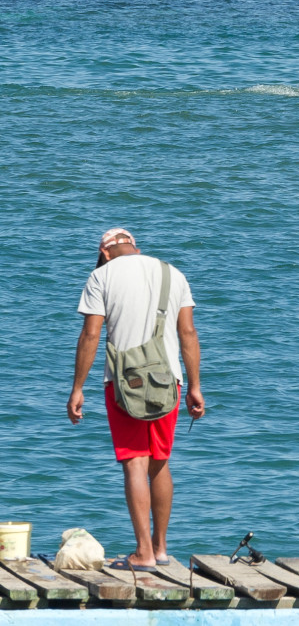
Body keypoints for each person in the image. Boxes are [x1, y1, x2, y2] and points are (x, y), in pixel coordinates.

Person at [67, 228, 205, 570]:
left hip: (124, 383)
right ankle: (159, 549)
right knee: (160, 461)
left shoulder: (101, 276)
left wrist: (77, 388)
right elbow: (187, 332)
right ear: (136, 247)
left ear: (105, 252)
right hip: (168, 380)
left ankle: (142, 553)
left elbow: (91, 334)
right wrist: (195, 386)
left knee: (134, 462)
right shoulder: (172, 273)